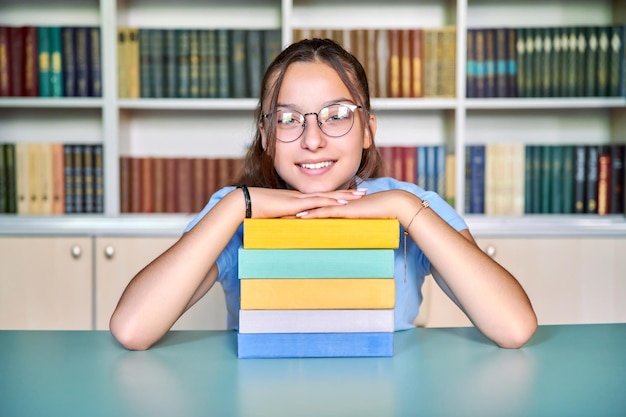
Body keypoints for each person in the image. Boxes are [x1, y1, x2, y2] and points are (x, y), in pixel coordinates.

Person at [110, 38, 537, 351]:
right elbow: (132, 329)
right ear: (265, 136)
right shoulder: (234, 212)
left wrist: (405, 209)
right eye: (289, 119)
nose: (312, 139)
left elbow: (514, 327)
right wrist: (238, 205)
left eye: (337, 116)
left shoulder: (411, 204)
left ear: (369, 129)